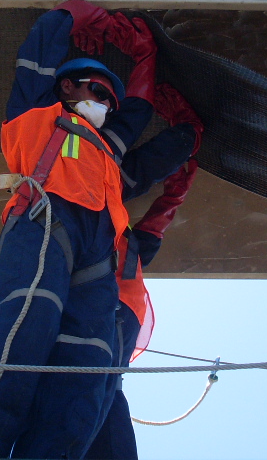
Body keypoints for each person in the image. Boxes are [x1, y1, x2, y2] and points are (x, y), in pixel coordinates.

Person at [0, 0, 185, 459]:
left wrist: (147, 57)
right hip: (44, 218)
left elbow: (138, 111)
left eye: (110, 100)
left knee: (88, 362)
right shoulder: (35, 110)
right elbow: (40, 46)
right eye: (97, 91)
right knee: (25, 320)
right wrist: (80, 17)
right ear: (67, 86)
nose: (106, 104)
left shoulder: (108, 150)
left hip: (99, 250)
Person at [85, 84, 204, 460]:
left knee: (88, 383)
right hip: (112, 305)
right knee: (96, 383)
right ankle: (189, 131)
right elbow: (147, 238)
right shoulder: (121, 251)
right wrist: (174, 194)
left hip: (105, 303)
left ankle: (187, 132)